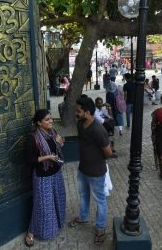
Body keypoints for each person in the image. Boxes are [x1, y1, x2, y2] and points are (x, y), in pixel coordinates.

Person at [69, 95, 112, 245]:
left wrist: (95, 161)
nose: (76, 113)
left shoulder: (98, 130)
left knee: (100, 201)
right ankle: (83, 216)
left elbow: (108, 153)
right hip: (83, 170)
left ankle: (100, 228)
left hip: (96, 173)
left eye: (78, 111)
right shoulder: (80, 125)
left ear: (87, 112)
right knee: (83, 195)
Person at [26, 109, 66, 247]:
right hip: (42, 176)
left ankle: (57, 225)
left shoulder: (53, 133)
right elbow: (29, 159)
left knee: (57, 200)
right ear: (39, 122)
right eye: (47, 120)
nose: (51, 121)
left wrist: (61, 142)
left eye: (51, 119)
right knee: (42, 206)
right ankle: (31, 231)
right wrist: (47, 157)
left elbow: (58, 147)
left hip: (56, 173)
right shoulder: (33, 137)